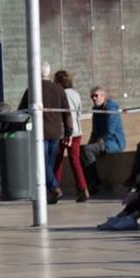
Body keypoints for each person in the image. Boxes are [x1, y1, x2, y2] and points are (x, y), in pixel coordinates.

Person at [17, 63, 73, 204]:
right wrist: (69, 132)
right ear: (49, 73)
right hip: (55, 133)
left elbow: (21, 111)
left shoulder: (32, 90)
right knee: (49, 163)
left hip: (39, 133)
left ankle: (54, 188)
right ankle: (50, 192)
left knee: (42, 164)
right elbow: (67, 113)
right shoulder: (59, 91)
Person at [51, 70, 90, 203]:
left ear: (59, 82)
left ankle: (54, 190)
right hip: (77, 132)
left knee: (58, 160)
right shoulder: (76, 94)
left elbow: (61, 114)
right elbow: (78, 112)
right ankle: (83, 188)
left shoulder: (59, 94)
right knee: (75, 162)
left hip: (64, 132)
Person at [81, 86, 124, 194]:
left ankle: (95, 182)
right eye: (92, 96)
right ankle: (87, 183)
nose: (94, 98)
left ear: (103, 96)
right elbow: (94, 131)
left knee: (87, 150)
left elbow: (110, 130)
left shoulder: (111, 108)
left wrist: (98, 141)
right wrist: (91, 142)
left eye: (96, 95)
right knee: (82, 150)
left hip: (113, 142)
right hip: (101, 141)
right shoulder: (96, 110)